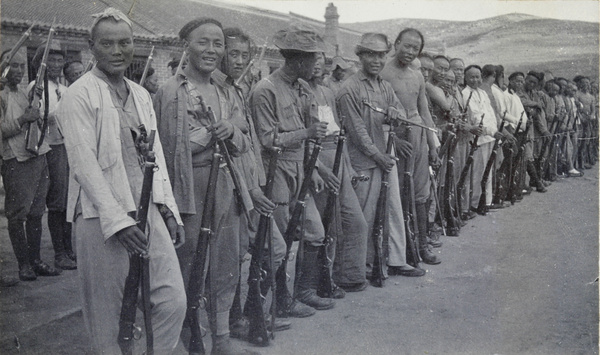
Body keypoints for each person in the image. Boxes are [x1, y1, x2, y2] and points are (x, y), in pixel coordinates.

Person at [55, 8, 186, 353]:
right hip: (100, 218)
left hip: (146, 211)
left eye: (125, 42)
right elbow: (84, 166)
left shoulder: (141, 95)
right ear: (91, 47)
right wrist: (117, 221)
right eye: (107, 43)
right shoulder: (78, 95)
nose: (118, 51)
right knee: (109, 321)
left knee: (173, 301)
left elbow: (154, 157)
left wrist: (168, 209)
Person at [153, 18, 263, 355]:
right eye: (204, 42)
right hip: (191, 189)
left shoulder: (225, 89)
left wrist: (231, 129)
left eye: (218, 44)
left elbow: (245, 139)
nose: (212, 51)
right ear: (186, 45)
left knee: (227, 264)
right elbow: (168, 151)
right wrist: (205, 137)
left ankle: (221, 339)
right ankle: (191, 339)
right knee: (191, 267)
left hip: (226, 184)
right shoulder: (170, 91)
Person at [250, 23, 337, 316]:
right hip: (275, 173)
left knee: (314, 232)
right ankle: (278, 300)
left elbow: (307, 133)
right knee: (280, 241)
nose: (317, 65)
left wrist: (318, 169)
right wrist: (307, 134)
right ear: (298, 59)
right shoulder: (265, 90)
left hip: (300, 170)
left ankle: (305, 291)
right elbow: (267, 140)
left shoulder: (302, 88)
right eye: (313, 59)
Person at [215, 26, 292, 337]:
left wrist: (257, 185)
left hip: (251, 187)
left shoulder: (236, 89)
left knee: (272, 248)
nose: (240, 60)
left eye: (245, 55)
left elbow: (248, 146)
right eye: (233, 54)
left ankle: (250, 310)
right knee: (233, 258)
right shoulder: (216, 90)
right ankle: (235, 321)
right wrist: (250, 190)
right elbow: (229, 149)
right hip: (233, 189)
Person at [337, 32, 424, 277]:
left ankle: (385, 262)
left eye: (380, 55)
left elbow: (395, 105)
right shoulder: (349, 89)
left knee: (388, 210)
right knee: (363, 216)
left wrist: (394, 112)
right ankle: (357, 270)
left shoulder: (384, 86)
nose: (376, 60)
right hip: (362, 161)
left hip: (382, 156)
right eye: (370, 54)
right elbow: (357, 132)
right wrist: (379, 156)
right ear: (360, 55)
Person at [309, 51, 369, 292]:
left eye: (320, 62)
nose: (316, 67)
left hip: (337, 158)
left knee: (355, 222)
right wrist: (316, 167)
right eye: (311, 62)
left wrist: (348, 167)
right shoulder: (301, 92)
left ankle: (349, 276)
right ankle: (318, 284)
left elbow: (339, 133)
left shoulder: (327, 93)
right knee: (326, 225)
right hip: (317, 161)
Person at [380, 28, 441, 265]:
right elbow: (376, 114)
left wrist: (432, 147)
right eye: (406, 45)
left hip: (417, 136)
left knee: (421, 194)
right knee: (399, 196)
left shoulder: (417, 76)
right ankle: (402, 249)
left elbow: (424, 112)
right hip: (394, 139)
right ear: (396, 44)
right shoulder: (383, 72)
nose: (410, 51)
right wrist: (394, 139)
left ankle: (422, 245)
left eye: (415, 48)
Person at [0, 49, 60, 281]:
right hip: (16, 160)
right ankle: (23, 265)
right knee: (17, 215)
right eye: (13, 66)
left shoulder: (23, 93)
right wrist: (23, 119)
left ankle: (35, 261)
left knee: (36, 212)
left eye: (21, 66)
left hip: (38, 155)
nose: (19, 70)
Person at [28, 40, 77, 270]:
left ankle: (68, 250)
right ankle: (59, 254)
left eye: (60, 60)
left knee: (68, 201)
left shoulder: (65, 89)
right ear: (42, 63)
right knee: (57, 202)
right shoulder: (35, 87)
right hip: (49, 148)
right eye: (52, 60)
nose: (57, 64)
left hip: (67, 146)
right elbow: (38, 117)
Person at [462, 65, 503, 211]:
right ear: (465, 78)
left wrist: (495, 132)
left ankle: (487, 202)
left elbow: (490, 114)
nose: (475, 80)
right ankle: (475, 203)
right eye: (471, 77)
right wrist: (491, 131)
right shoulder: (466, 94)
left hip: (490, 137)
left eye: (477, 76)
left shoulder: (482, 93)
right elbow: (476, 116)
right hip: (478, 138)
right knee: (477, 172)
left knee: (488, 171)